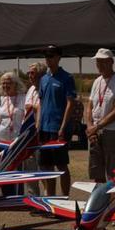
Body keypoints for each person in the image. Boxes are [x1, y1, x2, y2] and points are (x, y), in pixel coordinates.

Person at [85, 48, 115, 183]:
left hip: (112, 132)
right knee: (96, 171)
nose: (100, 65)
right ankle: (101, 202)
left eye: (103, 62)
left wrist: (96, 127)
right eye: (98, 62)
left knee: (113, 174)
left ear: (111, 62)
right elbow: (89, 107)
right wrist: (90, 128)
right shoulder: (97, 81)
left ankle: (113, 202)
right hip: (95, 132)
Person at [38, 45, 75, 196]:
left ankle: (64, 198)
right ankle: (50, 198)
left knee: (61, 165)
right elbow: (40, 102)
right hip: (44, 129)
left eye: (51, 55)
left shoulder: (66, 78)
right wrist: (38, 123)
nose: (48, 59)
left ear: (59, 57)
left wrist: (63, 127)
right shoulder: (44, 79)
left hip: (58, 128)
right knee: (45, 166)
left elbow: (70, 103)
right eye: (46, 56)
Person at [0, 72, 26, 196]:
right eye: (3, 83)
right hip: (2, 138)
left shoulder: (23, 98)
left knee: (17, 168)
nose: (5, 85)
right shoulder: (2, 99)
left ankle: (18, 195)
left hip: (17, 138)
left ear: (15, 84)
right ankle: (6, 195)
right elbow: (1, 119)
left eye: (8, 83)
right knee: (3, 168)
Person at [24, 61, 45, 197]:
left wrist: (34, 108)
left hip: (41, 133)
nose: (30, 76)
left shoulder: (45, 88)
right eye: (29, 73)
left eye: (33, 73)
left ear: (41, 74)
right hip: (28, 134)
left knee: (43, 168)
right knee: (29, 168)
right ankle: (33, 199)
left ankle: (46, 198)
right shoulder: (31, 89)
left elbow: (42, 109)